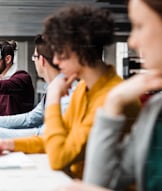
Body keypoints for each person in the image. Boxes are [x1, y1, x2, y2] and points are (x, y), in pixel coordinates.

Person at [0, 5, 141, 179]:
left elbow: (59, 157)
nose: (56, 61)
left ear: (77, 51)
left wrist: (53, 98)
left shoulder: (109, 96)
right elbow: (56, 137)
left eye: (60, 52)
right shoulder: (84, 88)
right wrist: (9, 143)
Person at [73, 0, 162, 191]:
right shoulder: (155, 110)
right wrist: (113, 104)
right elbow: (102, 183)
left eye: (140, 26)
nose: (132, 41)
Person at [0, 34, 76, 142]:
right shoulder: (54, 88)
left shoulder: (21, 78)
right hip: (12, 138)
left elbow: (1, 88)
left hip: (19, 138)